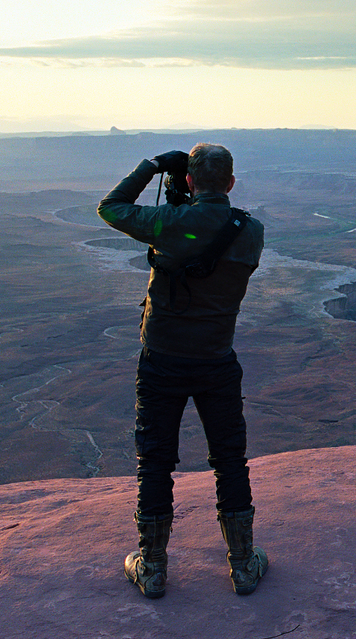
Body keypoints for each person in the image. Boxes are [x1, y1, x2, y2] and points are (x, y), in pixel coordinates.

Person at [97, 143, 268, 598]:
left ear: (190, 181)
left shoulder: (169, 224)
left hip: (162, 361)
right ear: (231, 182)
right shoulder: (251, 230)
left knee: (155, 461)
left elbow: (110, 208)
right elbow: (203, 243)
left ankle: (152, 568)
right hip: (216, 360)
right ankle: (243, 565)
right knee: (229, 459)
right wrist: (187, 208)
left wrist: (151, 168)